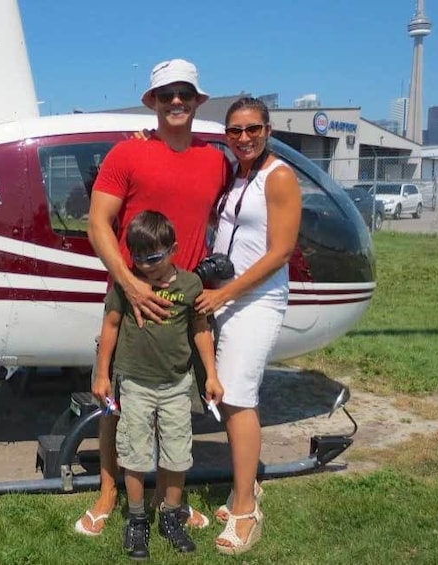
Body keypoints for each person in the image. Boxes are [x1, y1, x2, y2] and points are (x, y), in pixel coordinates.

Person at [75, 58, 231, 537]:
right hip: (133, 296)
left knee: (176, 404)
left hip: (187, 303)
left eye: (185, 93)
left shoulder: (216, 159)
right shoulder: (127, 155)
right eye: (167, 95)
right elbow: (97, 224)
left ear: (198, 100)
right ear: (153, 102)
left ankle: (170, 504)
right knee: (117, 402)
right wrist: (130, 284)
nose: (177, 101)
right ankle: (108, 493)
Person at [195, 97, 302, 555]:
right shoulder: (239, 174)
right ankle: (246, 487)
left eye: (252, 128)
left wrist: (225, 293)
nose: (244, 137)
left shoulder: (278, 177)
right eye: (235, 130)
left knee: (239, 397)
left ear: (268, 129)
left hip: (255, 299)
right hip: (229, 296)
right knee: (226, 396)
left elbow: (279, 252)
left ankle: (245, 509)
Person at [96, 210, 223, 559]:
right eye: (137, 258)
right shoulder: (128, 284)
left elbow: (200, 330)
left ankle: (171, 515)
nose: (146, 266)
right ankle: (137, 519)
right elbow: (110, 326)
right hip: (135, 384)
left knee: (178, 454)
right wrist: (102, 373)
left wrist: (211, 374)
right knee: (135, 454)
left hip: (176, 385)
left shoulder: (189, 286)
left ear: (174, 249)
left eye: (153, 257)